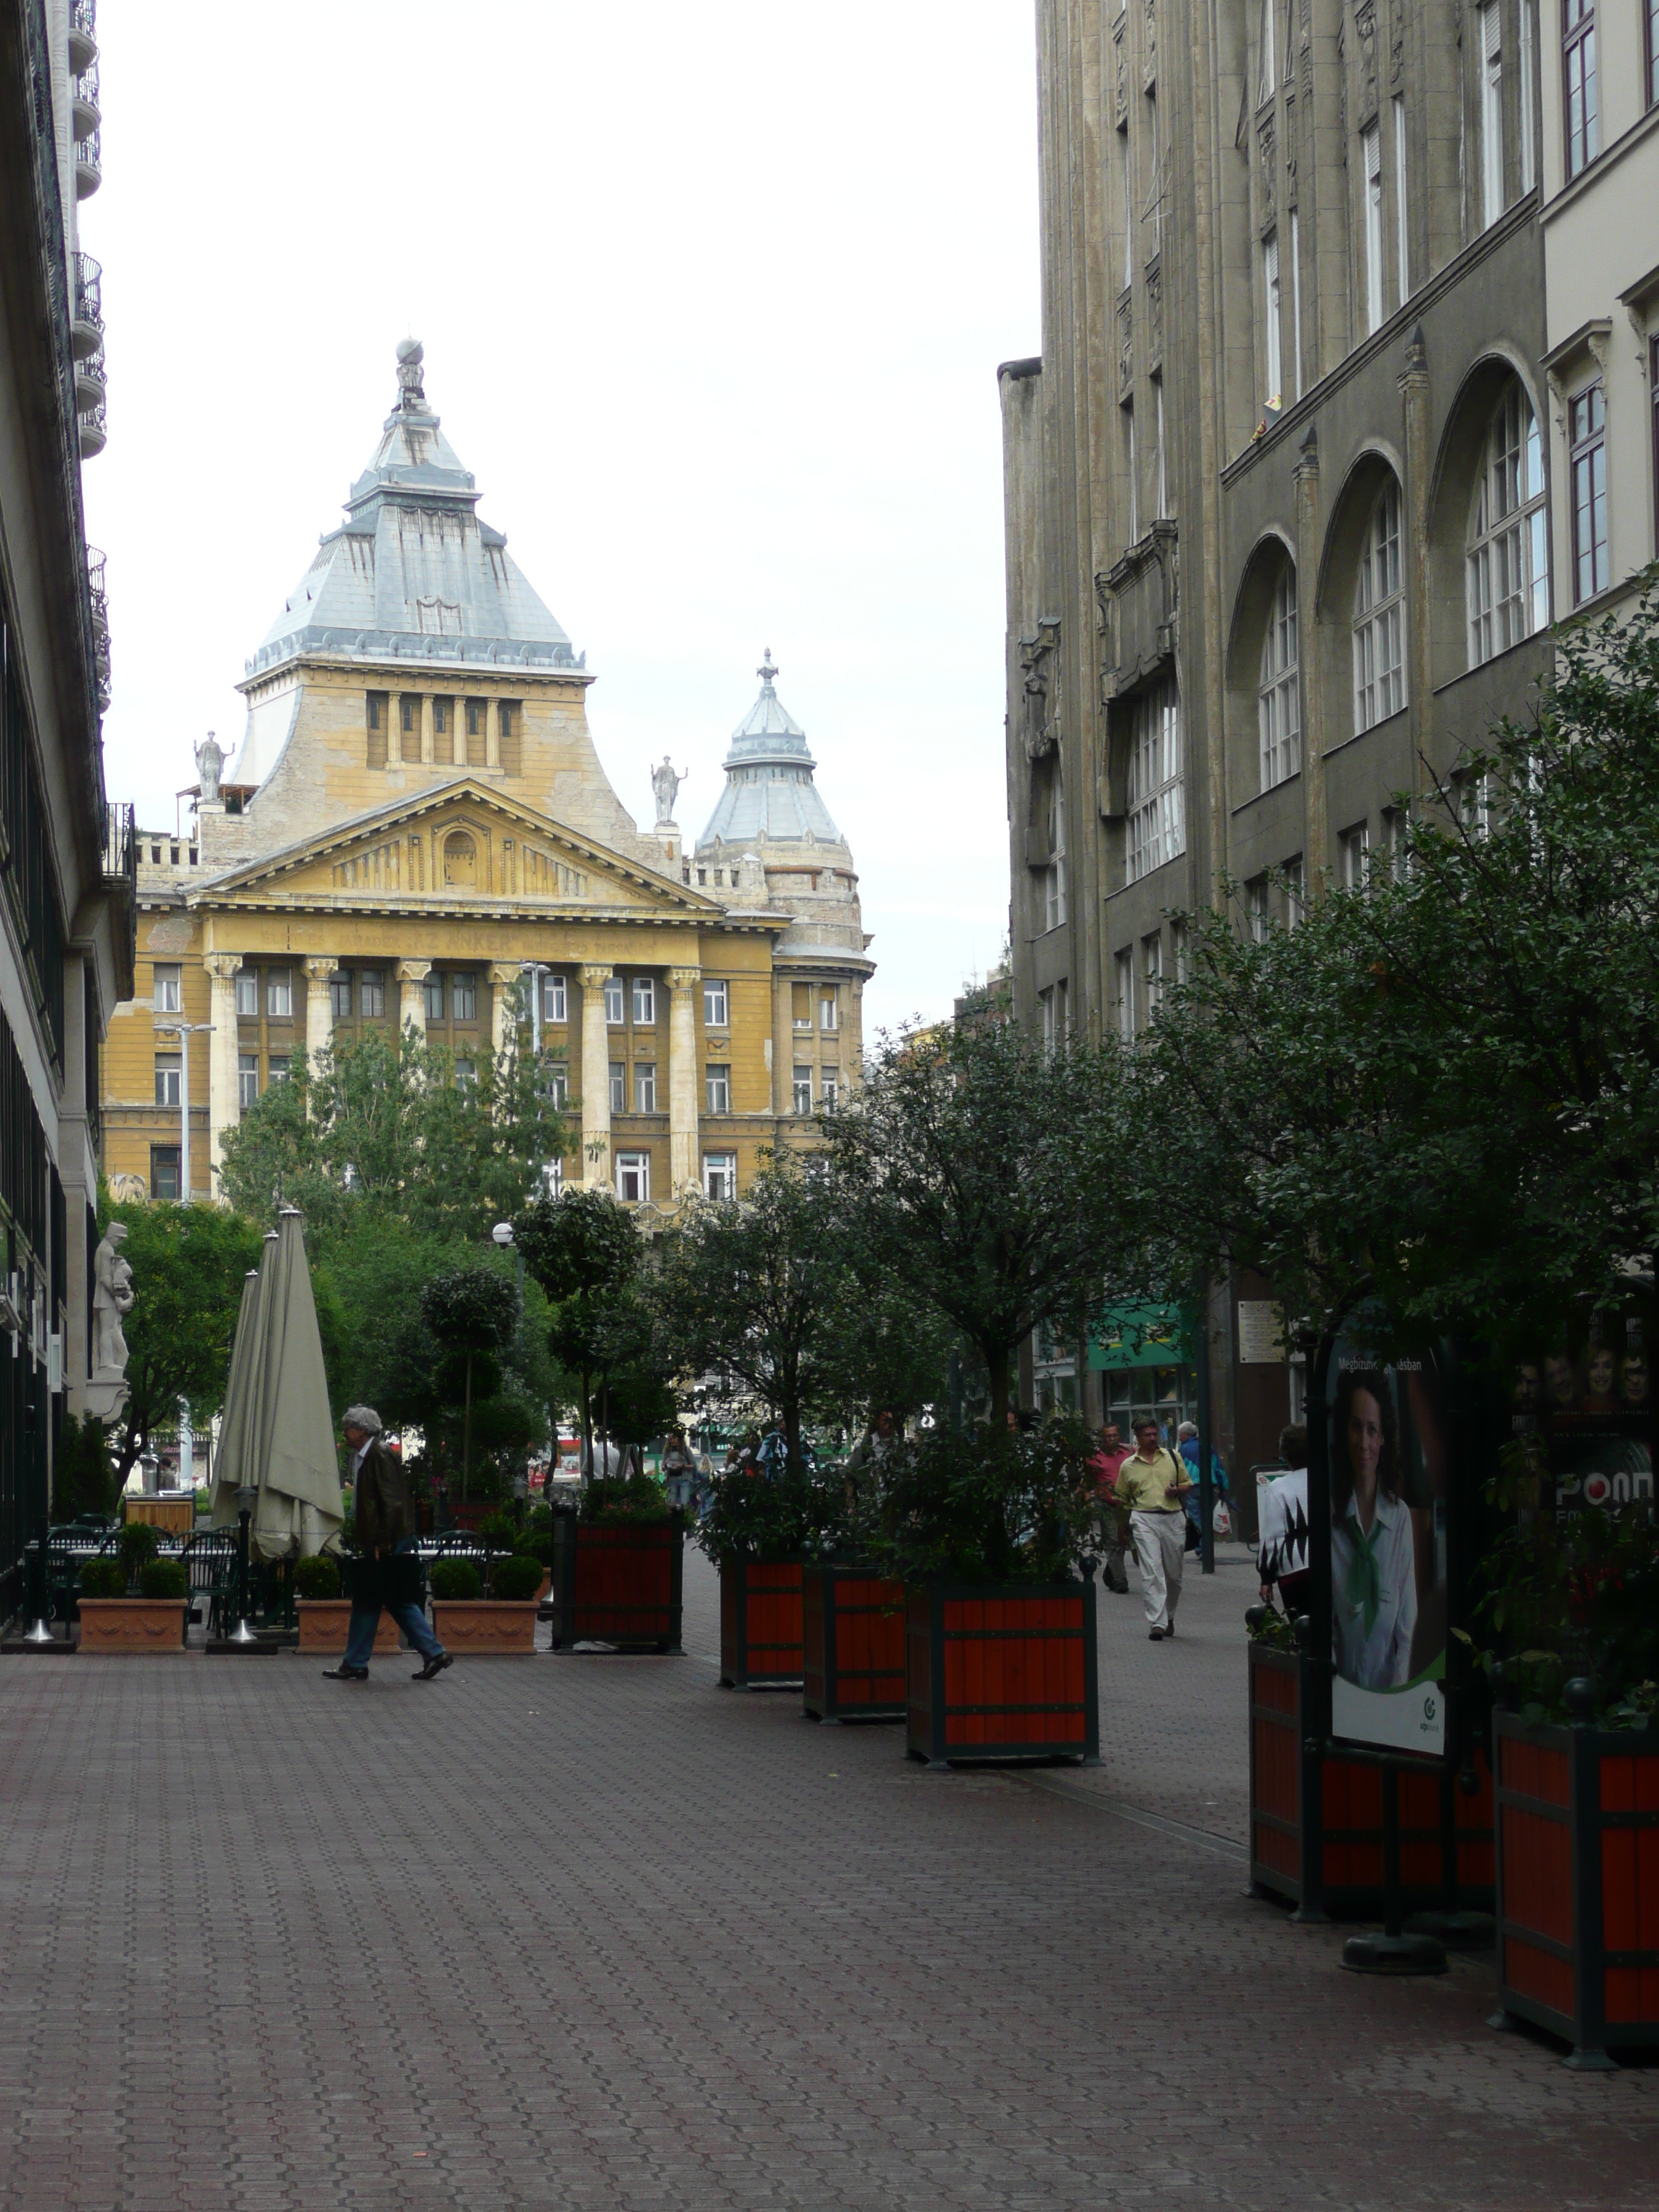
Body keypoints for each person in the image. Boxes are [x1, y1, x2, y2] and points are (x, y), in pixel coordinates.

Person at [325, 1406, 452, 1683]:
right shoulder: (370, 1455)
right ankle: (432, 1652)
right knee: (391, 1598)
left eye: (347, 1428)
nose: (344, 1433)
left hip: (387, 1540)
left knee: (372, 1598)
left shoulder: (378, 1455)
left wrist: (381, 1542)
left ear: (361, 1430)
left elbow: (392, 1502)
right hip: (387, 1538)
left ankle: (356, 1662)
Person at [1329, 1369, 1416, 1690]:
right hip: (1343, 1689)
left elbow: (1407, 1623)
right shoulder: (1331, 1517)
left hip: (1389, 1689)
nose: (1363, 1443)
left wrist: (1396, 1696)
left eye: (1372, 1430)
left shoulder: (1399, 1517)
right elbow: (1328, 1621)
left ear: (1382, 1437)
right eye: (1355, 1427)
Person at [1115, 1416, 1192, 1640]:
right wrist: (1122, 1530)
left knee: (1173, 1575)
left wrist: (1176, 1490)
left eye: (1154, 1434)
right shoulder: (1128, 1466)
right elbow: (1121, 1500)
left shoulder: (1172, 1456)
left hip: (1173, 1517)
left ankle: (1169, 1616)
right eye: (1147, 1435)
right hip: (1143, 1518)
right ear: (1137, 1438)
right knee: (1152, 1571)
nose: (1152, 1438)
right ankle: (1156, 1623)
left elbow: (1187, 1484)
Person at [1257, 1424, 1310, 1615]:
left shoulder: (1278, 1488)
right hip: (1332, 1563)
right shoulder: (1329, 1479)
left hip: (1295, 1569)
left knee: (1302, 1627)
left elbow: (1271, 1538)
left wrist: (1266, 1578)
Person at [1084, 1421, 1132, 1593]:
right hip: (1107, 1505)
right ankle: (1120, 1581)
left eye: (1115, 1435)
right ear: (1102, 1439)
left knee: (1126, 1539)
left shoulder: (1128, 1452)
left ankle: (1109, 1574)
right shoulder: (1095, 1457)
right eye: (1108, 1436)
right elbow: (1088, 1482)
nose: (1112, 1439)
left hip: (1128, 1504)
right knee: (1113, 1541)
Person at [1177, 1421, 1229, 1551]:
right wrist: (1223, 1486)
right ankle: (1205, 1545)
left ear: (1187, 1435)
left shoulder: (1183, 1450)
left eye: (1181, 1435)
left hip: (1192, 1486)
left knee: (1195, 1516)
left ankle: (1202, 1546)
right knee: (1207, 1515)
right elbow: (1217, 1467)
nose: (1179, 1438)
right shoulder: (1208, 1446)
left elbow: (1178, 1469)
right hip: (1209, 1486)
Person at [661, 1429, 695, 1511]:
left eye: (673, 1439)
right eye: (669, 1439)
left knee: (684, 1504)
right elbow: (663, 1466)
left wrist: (683, 1466)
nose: (671, 1441)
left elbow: (693, 1465)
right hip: (672, 1479)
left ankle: (685, 1519)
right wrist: (665, 1466)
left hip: (684, 1479)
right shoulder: (667, 1451)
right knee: (671, 1504)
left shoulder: (686, 1450)